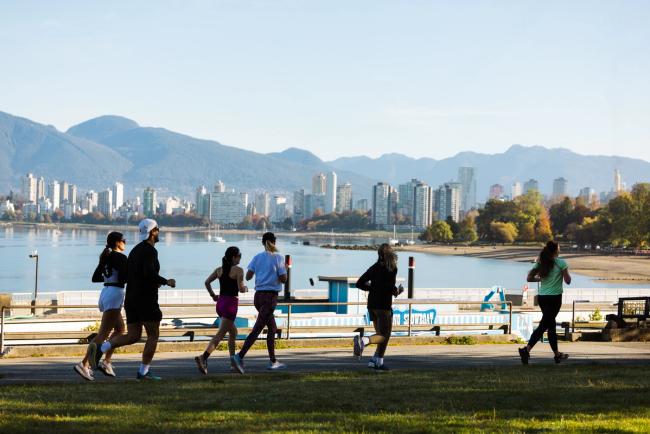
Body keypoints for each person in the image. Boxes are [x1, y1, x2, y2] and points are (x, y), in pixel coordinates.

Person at [87, 219, 176, 380]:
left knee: (133, 336)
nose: (159, 232)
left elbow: (136, 275)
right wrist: (165, 281)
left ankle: (103, 348)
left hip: (131, 299)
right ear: (152, 232)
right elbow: (148, 273)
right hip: (146, 299)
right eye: (158, 229)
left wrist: (152, 281)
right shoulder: (150, 251)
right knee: (153, 335)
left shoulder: (134, 251)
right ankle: (143, 371)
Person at [73, 231, 127, 381]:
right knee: (103, 334)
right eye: (124, 240)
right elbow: (124, 277)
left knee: (120, 329)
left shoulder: (106, 256)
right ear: (117, 242)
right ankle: (84, 364)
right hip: (115, 293)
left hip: (106, 292)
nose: (125, 242)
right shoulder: (120, 257)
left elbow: (95, 277)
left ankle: (106, 361)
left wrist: (108, 273)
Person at [230, 232, 287, 374]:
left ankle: (273, 361)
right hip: (270, 297)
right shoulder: (279, 258)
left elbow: (248, 276)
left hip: (258, 297)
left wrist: (261, 273)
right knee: (258, 329)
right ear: (275, 242)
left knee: (272, 328)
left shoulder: (257, 257)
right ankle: (239, 356)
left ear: (263, 243)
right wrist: (277, 273)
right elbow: (284, 279)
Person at [195, 246, 248, 375]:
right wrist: (245, 288)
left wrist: (213, 296)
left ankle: (232, 363)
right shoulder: (239, 270)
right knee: (220, 335)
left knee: (233, 332)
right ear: (234, 257)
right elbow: (241, 289)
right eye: (239, 255)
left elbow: (207, 282)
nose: (241, 257)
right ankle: (203, 357)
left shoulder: (219, 270)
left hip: (220, 304)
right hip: (230, 305)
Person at [519, 240, 571, 365]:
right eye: (559, 248)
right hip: (554, 298)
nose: (560, 249)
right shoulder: (561, 263)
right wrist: (564, 275)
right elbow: (568, 281)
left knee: (550, 325)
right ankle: (526, 350)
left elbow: (529, 278)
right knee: (544, 325)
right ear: (555, 250)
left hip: (542, 297)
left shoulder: (541, 263)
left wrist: (541, 278)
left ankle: (557, 355)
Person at [353, 243, 403, 371]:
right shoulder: (392, 268)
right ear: (390, 254)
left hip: (372, 305)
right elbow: (390, 287)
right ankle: (364, 341)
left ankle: (374, 360)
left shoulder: (373, 268)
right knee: (384, 336)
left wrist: (372, 288)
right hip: (383, 305)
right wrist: (397, 291)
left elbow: (359, 283)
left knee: (380, 334)